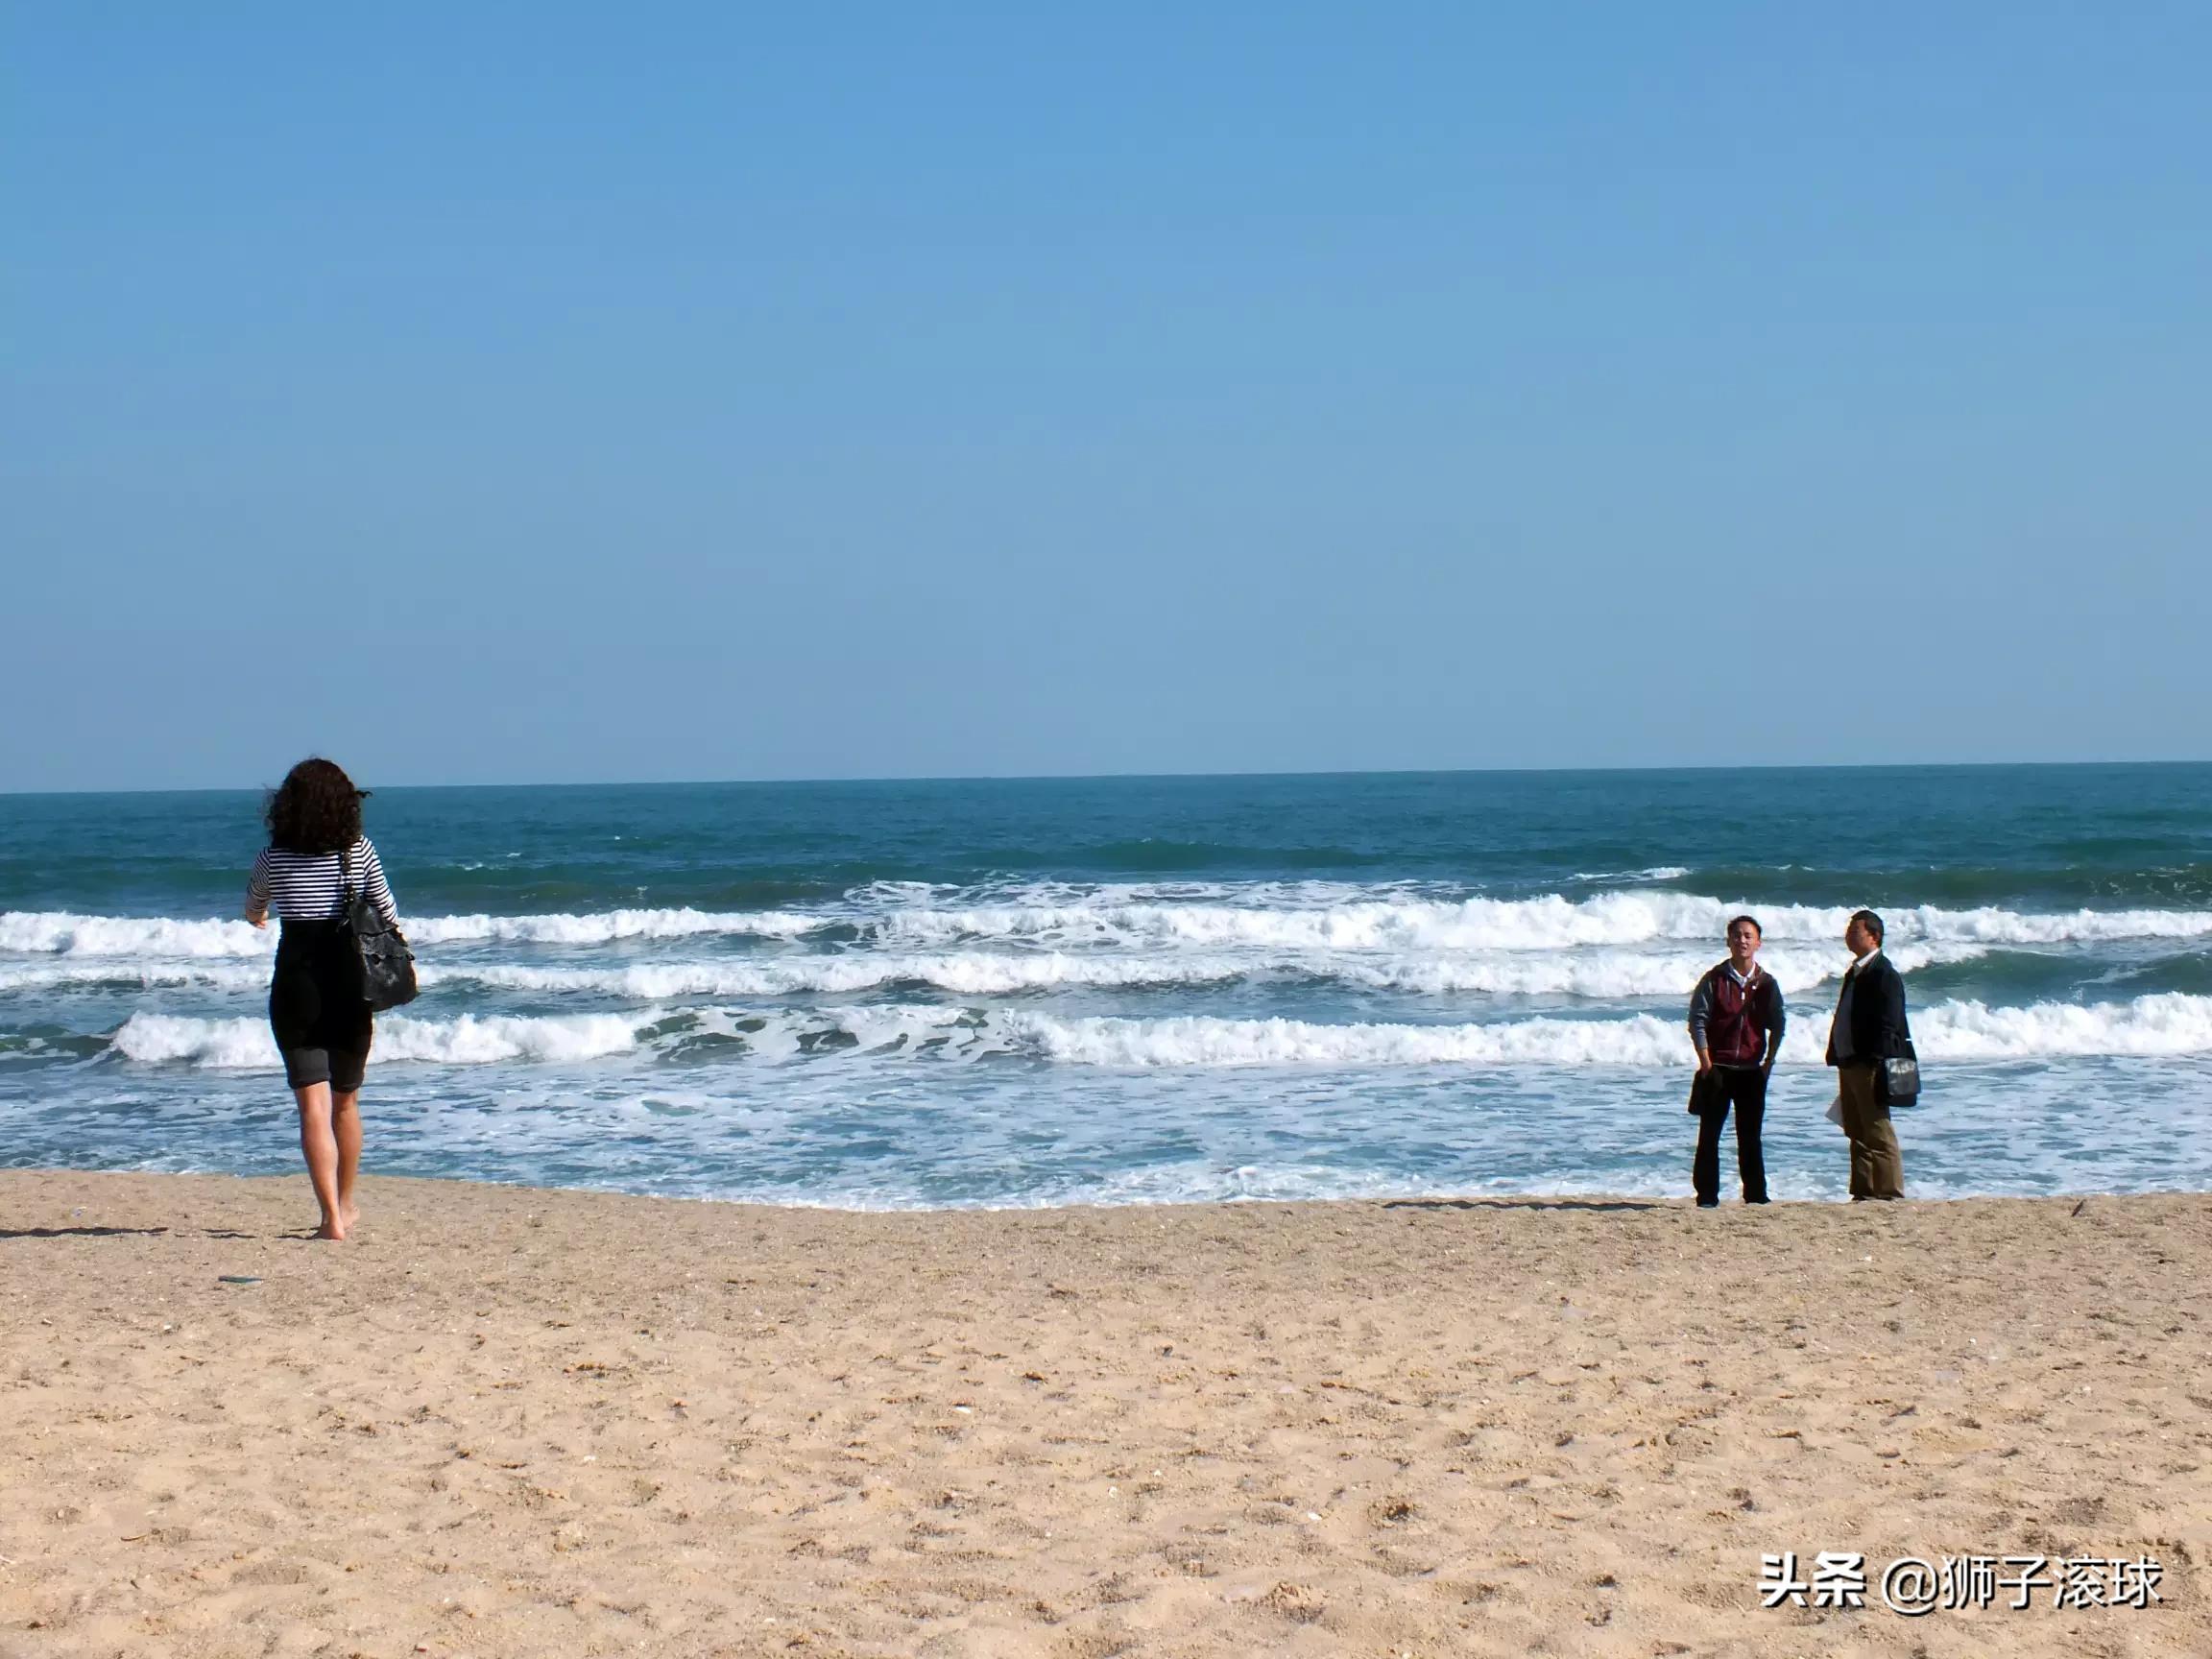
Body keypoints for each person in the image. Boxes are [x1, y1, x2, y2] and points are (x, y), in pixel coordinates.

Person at [244, 757, 400, 1241]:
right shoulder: (358, 852)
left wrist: (262, 914)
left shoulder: (276, 855)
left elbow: (253, 904)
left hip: (296, 984)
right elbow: (387, 911)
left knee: (311, 1107)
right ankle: (348, 1203)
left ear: (288, 804)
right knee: (345, 1105)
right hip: (349, 985)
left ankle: (330, 1217)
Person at [1687, 914, 1785, 1206]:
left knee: (1750, 1137)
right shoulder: (1715, 979)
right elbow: (1697, 1021)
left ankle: (1755, 1196)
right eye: (1737, 935)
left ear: (1758, 943)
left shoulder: (1766, 983)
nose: (1742, 940)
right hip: (1718, 1068)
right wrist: (1706, 1064)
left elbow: (1778, 1023)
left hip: (1752, 1070)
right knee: (1709, 1137)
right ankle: (1706, 1196)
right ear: (1728, 941)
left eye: (1748, 936)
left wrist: (1769, 1062)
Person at [1824, 908, 1911, 1200]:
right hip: (1849, 1061)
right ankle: (1863, 1190)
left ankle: (1889, 1191)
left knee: (1877, 1130)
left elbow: (1890, 1023)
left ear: (1873, 936)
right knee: (1856, 1130)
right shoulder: (1856, 972)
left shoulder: (1884, 974)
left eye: (1855, 929)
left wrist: (1877, 1061)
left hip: (1869, 1063)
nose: (1849, 934)